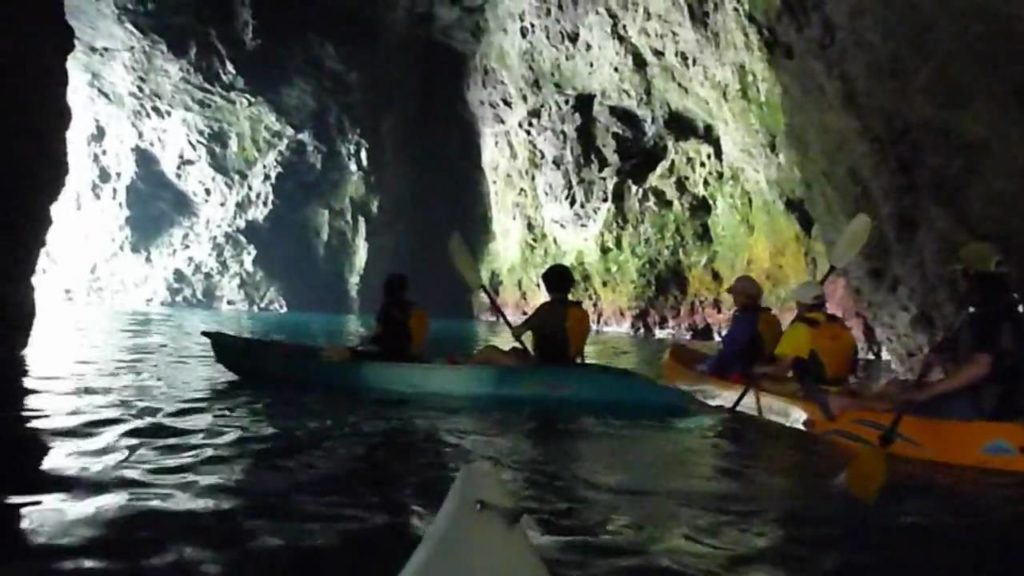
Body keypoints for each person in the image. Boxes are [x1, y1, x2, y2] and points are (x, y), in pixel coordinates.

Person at [889, 242, 1024, 421]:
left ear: (970, 275)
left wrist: (926, 392)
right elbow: (945, 349)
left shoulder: (989, 313)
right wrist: (936, 358)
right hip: (995, 400)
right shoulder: (1002, 313)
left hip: (992, 407)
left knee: (906, 407)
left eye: (962, 275)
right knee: (896, 389)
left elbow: (980, 366)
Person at [471, 264, 590, 366]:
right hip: (570, 364)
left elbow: (518, 331)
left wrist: (516, 332)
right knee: (515, 351)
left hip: (541, 366)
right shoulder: (580, 312)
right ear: (569, 287)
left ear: (547, 287)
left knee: (489, 351)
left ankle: (464, 370)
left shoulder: (546, 310)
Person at [754, 281, 858, 388]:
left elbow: (781, 370)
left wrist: (757, 369)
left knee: (762, 382)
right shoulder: (838, 323)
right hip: (842, 385)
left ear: (801, 303)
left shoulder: (800, 329)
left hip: (814, 389)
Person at [323, 273, 429, 362]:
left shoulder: (387, 308)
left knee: (357, 351)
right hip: (399, 352)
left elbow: (380, 334)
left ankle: (338, 353)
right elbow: (416, 344)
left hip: (390, 352)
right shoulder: (415, 310)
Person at [700, 275, 782, 382]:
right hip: (764, 365)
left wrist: (709, 367)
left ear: (746, 297)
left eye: (736, 295)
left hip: (745, 372)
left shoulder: (747, 320)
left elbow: (731, 350)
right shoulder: (769, 317)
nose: (734, 299)